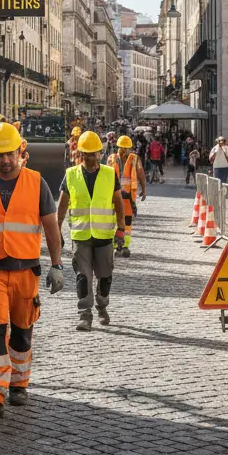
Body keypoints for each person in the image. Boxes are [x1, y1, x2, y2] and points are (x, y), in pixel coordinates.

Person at [0, 122, 63, 418]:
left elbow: (50, 226)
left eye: (10, 154)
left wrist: (56, 265)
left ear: (20, 152)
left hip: (26, 270)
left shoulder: (36, 182)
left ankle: (19, 382)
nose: (5, 161)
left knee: (22, 332)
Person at [57, 131, 126, 332]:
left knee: (105, 277)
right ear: (80, 154)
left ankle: (102, 305)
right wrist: (57, 231)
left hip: (104, 236)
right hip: (81, 236)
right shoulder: (71, 175)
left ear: (100, 153)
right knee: (83, 277)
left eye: (93, 154)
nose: (90, 158)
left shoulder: (109, 174)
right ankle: (85, 315)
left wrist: (121, 229)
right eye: (86, 154)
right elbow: (62, 206)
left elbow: (118, 203)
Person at [107, 135, 145, 258]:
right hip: (121, 196)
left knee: (120, 221)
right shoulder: (115, 159)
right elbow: (141, 174)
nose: (125, 151)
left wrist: (144, 190)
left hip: (121, 196)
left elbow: (140, 174)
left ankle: (120, 246)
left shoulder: (115, 158)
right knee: (121, 221)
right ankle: (121, 246)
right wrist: (143, 190)